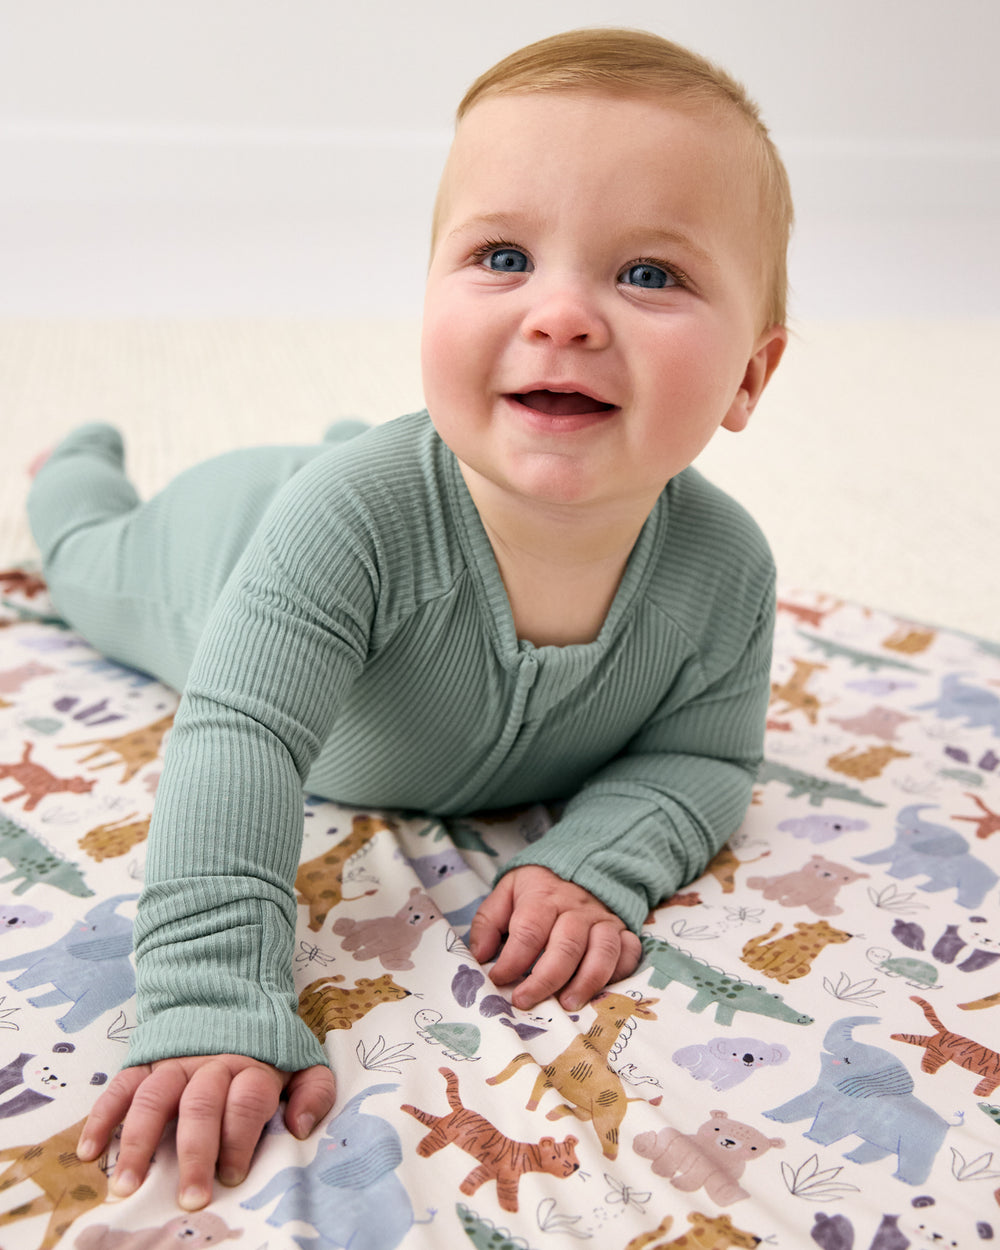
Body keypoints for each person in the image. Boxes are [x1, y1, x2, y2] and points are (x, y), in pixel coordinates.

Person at [27, 27, 791, 1211]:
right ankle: (72, 459)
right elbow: (243, 736)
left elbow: (701, 755)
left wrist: (597, 860)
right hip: (225, 549)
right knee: (85, 557)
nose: (564, 314)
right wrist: (208, 995)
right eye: (501, 254)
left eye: (648, 274)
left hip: (357, 544)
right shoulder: (349, 523)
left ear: (751, 373)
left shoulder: (724, 569)